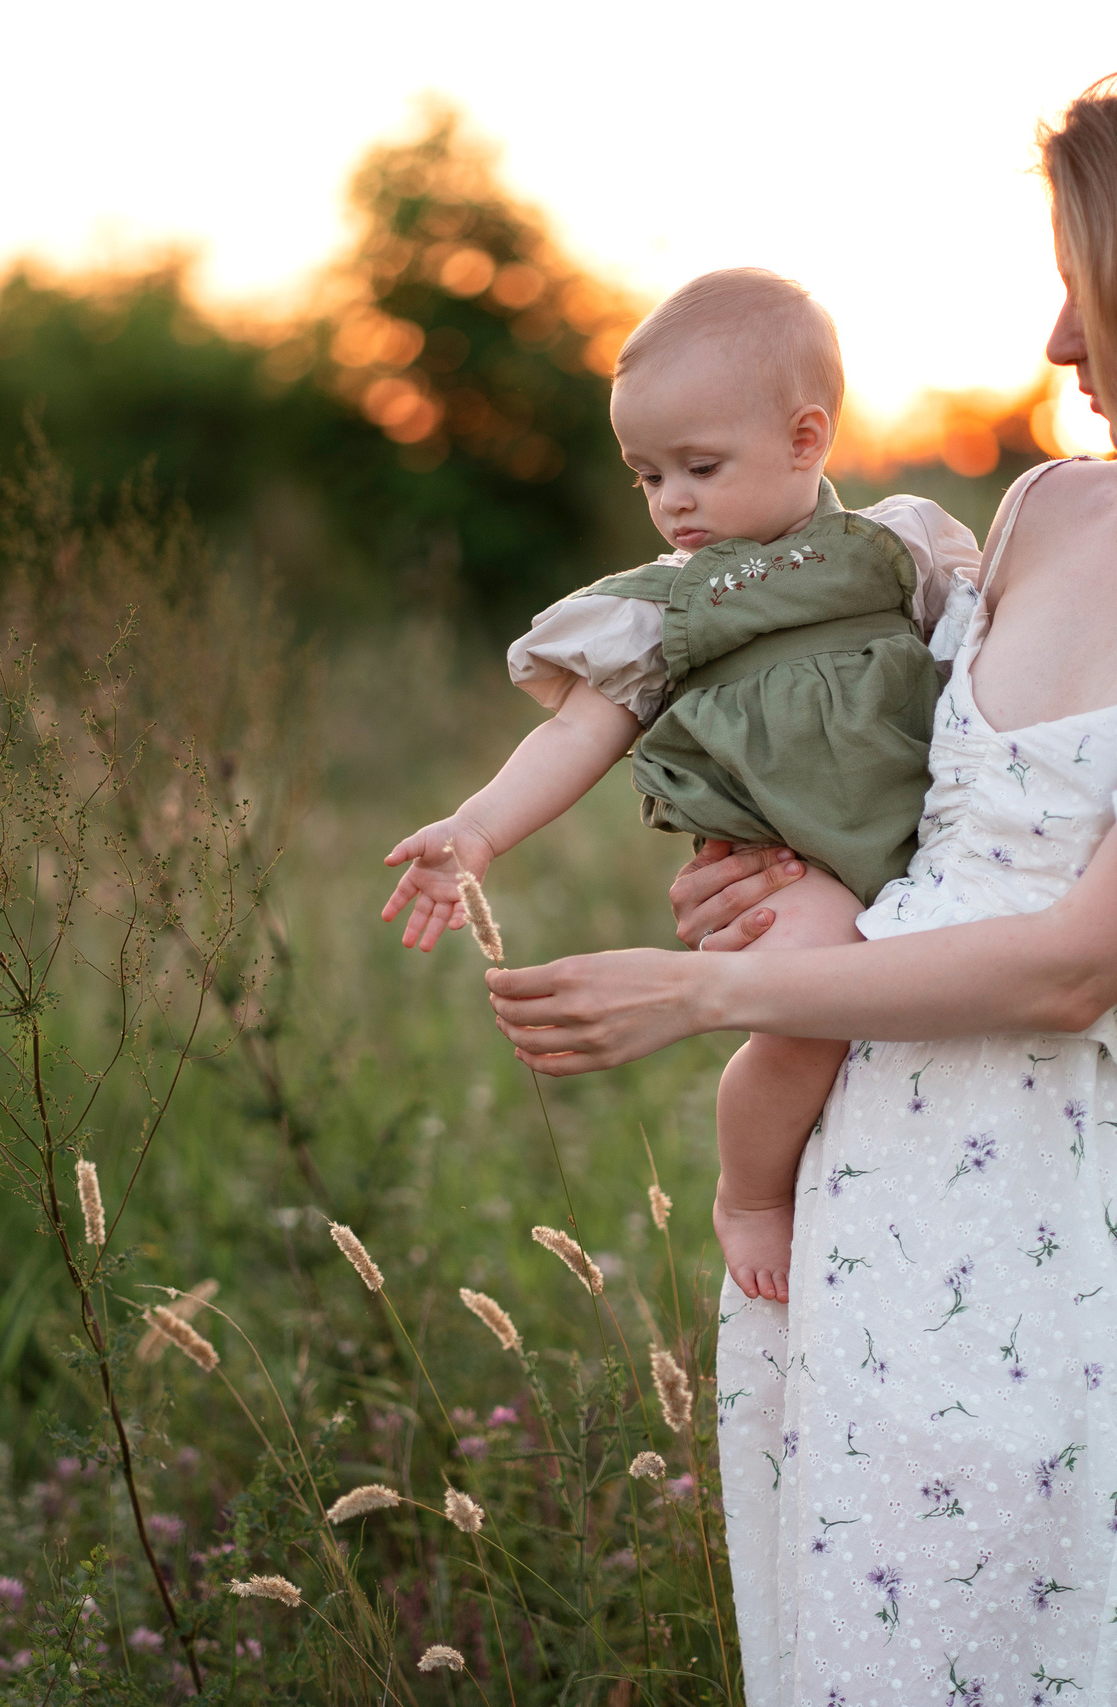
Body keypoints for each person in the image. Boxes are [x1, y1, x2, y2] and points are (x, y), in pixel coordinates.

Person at [481, 59, 1117, 1704]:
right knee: (863, 1630)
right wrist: (766, 871)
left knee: (1037, 1633)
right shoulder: (1040, 511)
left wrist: (704, 988)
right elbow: (915, 821)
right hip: (870, 1155)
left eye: (1094, 290)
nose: (1058, 341)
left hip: (1071, 1202)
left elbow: (1068, 967)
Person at [381, 269, 980, 1305]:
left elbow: (978, 661)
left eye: (699, 466)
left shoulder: (896, 548)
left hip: (933, 844)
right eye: (647, 477)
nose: (673, 501)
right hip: (793, 865)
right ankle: (751, 1192)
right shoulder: (661, 612)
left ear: (805, 438)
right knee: (801, 1010)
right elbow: (578, 732)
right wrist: (476, 830)